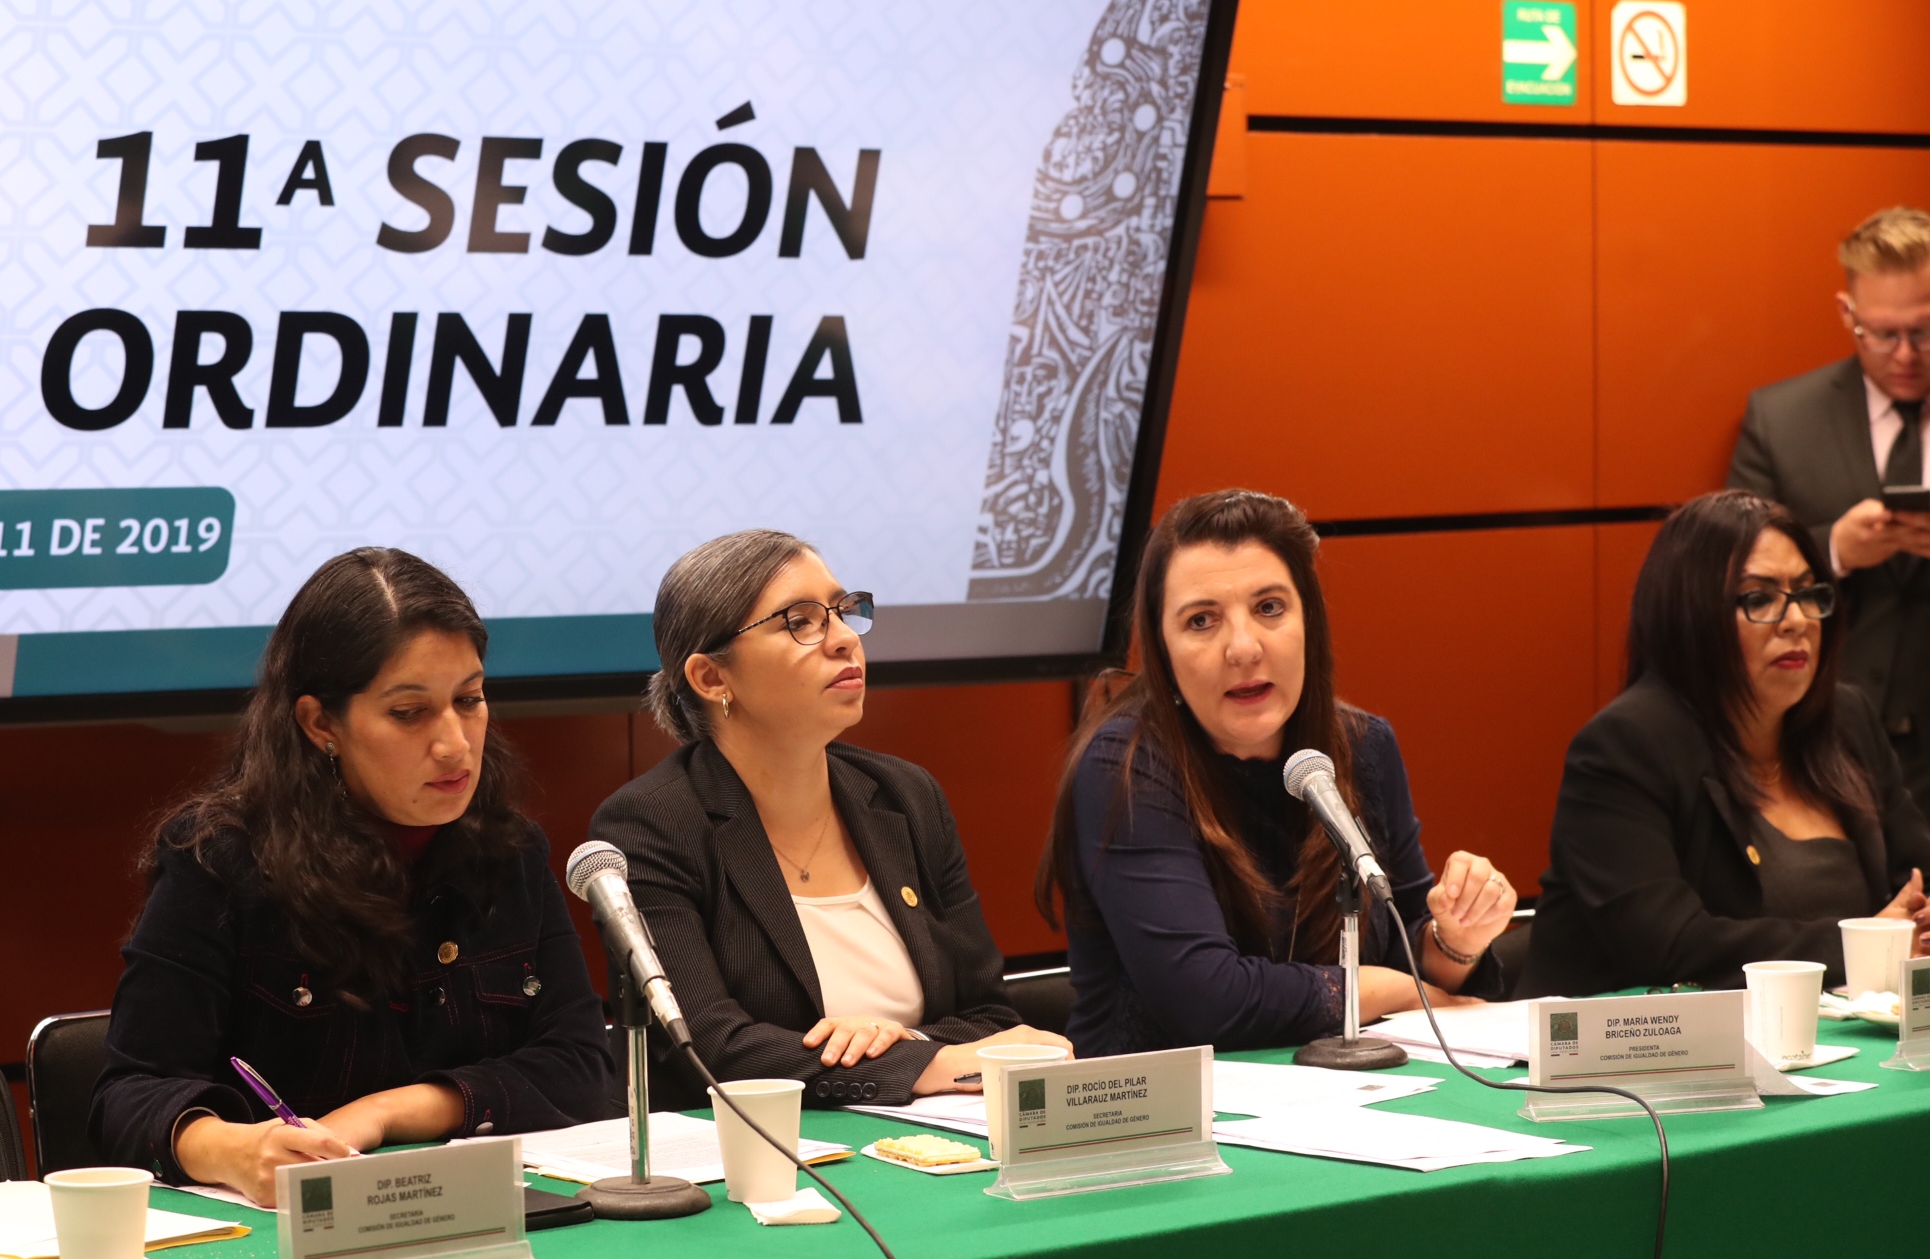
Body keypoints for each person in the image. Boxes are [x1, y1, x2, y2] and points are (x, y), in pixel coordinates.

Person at [91, 549, 613, 1205]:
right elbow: (129, 1095)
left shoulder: (508, 851)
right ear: (321, 724)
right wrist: (233, 1150)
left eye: (469, 700)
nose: (455, 743)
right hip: (287, 1231)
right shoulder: (220, 860)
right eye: (409, 712)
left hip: (477, 1213)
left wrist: (388, 1112)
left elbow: (583, 1069)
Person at [590, 530, 1069, 1110]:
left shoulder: (906, 797)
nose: (844, 639)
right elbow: (707, 1046)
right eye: (801, 622)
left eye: (843, 612)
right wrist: (923, 1063)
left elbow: (990, 1016)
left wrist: (904, 1042)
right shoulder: (653, 824)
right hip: (761, 1148)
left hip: (938, 1135)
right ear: (712, 678)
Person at [1035, 490, 1515, 1059]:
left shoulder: (1361, 746)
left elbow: (1413, 949)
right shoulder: (1126, 765)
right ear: (1162, 652)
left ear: (1308, 621)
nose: (1243, 648)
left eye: (1269, 608)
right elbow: (1206, 1000)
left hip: (1350, 1092)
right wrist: (1397, 990)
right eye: (1201, 620)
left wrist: (1456, 941)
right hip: (1159, 1103)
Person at [1522, 492, 1930, 997]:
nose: (1797, 620)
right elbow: (1670, 945)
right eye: (1759, 599)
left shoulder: (1847, 719)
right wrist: (1868, 946)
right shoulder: (1625, 747)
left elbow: (1917, 876)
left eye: (1807, 593)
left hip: (1836, 1032)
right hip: (1638, 1039)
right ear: (1691, 616)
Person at [1729, 206, 1930, 811]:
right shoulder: (1782, 419)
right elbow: (1728, 575)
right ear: (1848, 313)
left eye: (1924, 332)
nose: (1905, 355)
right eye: (1883, 334)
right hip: (1819, 743)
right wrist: (1833, 550)